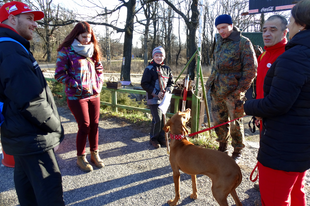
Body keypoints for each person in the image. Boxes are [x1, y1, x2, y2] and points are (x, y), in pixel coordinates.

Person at [244, 0, 310, 205]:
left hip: (284, 137)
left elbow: (278, 102)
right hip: (281, 128)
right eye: (264, 29)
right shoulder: (265, 54)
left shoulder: (290, 55)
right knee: (295, 188)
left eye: (274, 29)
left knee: (278, 195)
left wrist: (247, 107)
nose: (266, 33)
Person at [0, 1, 65, 205]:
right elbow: (31, 101)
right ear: (12, 19)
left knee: (28, 192)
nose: (35, 24)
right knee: (49, 194)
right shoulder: (11, 51)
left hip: (19, 136)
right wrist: (56, 126)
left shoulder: (9, 47)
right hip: (33, 137)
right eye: (29, 18)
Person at [206, 14, 257, 162]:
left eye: (223, 27)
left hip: (234, 92)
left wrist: (239, 90)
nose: (221, 31)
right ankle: (222, 147)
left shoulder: (243, 43)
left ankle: (237, 150)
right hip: (217, 89)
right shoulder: (219, 42)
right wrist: (209, 83)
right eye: (218, 28)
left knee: (235, 123)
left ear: (231, 25)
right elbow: (216, 66)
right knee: (219, 121)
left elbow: (251, 70)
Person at [55, 21, 104, 172]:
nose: (87, 40)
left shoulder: (92, 49)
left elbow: (99, 68)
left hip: (94, 93)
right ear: (76, 35)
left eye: (89, 37)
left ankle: (94, 154)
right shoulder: (66, 51)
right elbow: (59, 74)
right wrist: (74, 84)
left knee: (95, 125)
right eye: (84, 37)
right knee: (85, 126)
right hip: (77, 96)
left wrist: (99, 83)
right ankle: (80, 157)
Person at [141, 46, 174, 149]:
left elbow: (171, 83)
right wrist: (156, 92)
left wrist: (169, 90)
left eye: (161, 55)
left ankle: (161, 137)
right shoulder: (149, 69)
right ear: (153, 56)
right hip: (153, 98)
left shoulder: (167, 69)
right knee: (158, 118)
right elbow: (144, 84)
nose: (159, 58)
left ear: (163, 57)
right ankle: (153, 138)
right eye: (157, 55)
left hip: (164, 99)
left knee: (163, 118)